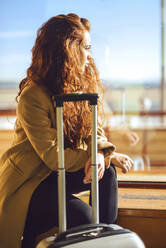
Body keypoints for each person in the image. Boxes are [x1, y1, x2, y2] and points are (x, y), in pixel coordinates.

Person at [0, 13, 133, 248]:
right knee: (85, 220)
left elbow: (96, 131)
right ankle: (99, 240)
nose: (90, 55)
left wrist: (102, 154)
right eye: (86, 48)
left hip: (56, 174)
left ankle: (105, 240)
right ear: (68, 50)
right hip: (31, 183)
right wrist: (95, 156)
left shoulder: (78, 86)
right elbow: (53, 155)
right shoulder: (33, 96)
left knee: (108, 173)